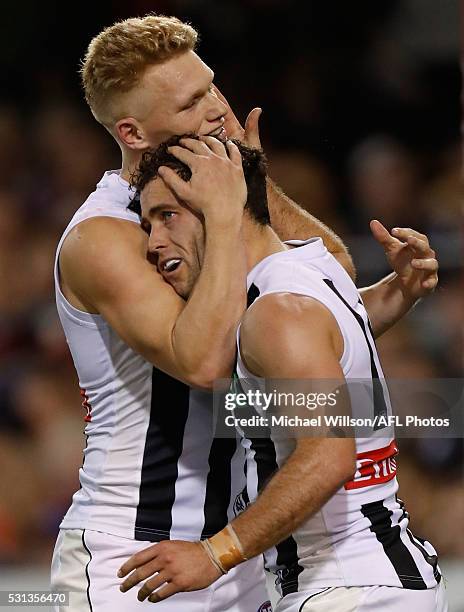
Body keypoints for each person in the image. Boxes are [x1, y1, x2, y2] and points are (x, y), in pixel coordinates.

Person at [52, 14, 439, 612]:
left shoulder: (204, 204)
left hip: (239, 548)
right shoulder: (106, 236)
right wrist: (231, 208)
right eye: (189, 103)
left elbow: (317, 281)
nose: (215, 109)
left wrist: (250, 175)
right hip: (135, 556)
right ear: (132, 132)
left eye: (211, 87)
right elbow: (206, 362)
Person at [117, 135, 445, 612]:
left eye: (168, 215)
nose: (154, 243)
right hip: (372, 579)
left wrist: (215, 552)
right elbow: (320, 355)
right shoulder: (311, 266)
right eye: (148, 224)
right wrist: (398, 293)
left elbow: (329, 457)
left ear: (224, 204)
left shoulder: (276, 314)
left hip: (350, 589)